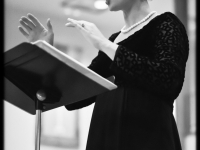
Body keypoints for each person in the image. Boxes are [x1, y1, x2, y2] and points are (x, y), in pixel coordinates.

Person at [18, 0, 189, 149]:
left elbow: (169, 79)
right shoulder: (113, 40)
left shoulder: (166, 24)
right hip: (104, 137)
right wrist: (48, 54)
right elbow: (74, 96)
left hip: (147, 137)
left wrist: (102, 43)